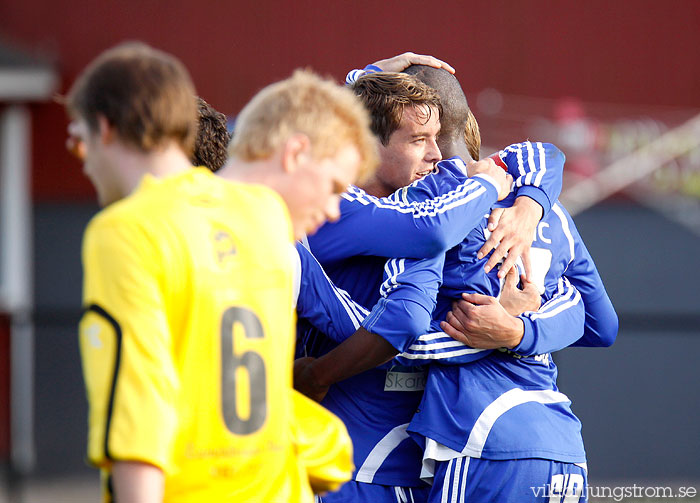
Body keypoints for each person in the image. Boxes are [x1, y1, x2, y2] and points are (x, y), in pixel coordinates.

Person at [68, 41, 376, 502]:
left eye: (78, 141)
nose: (83, 158)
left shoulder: (128, 230)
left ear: (104, 128)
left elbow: (138, 418)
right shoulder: (267, 221)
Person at [299, 64, 618, 503]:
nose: (429, 154)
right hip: (561, 445)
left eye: (429, 139)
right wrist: (524, 330)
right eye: (417, 139)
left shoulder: (416, 207)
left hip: (447, 446)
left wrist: (321, 367)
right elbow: (599, 322)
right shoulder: (547, 210)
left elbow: (400, 325)